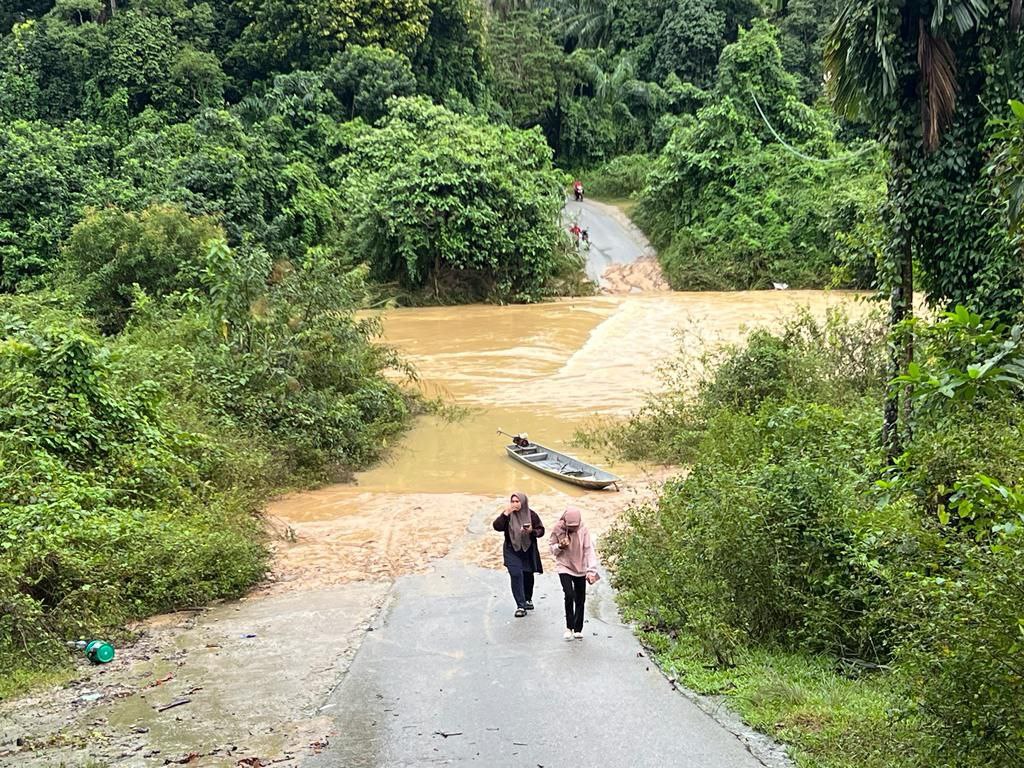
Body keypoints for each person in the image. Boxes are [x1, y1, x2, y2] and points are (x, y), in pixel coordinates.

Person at [548, 507, 599, 640]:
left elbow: (589, 550)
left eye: (575, 527)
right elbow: (551, 548)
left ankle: (578, 628)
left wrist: (591, 570)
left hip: (580, 567)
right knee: (569, 594)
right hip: (564, 565)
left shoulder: (584, 529)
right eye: (570, 527)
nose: (573, 529)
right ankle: (569, 627)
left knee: (580, 598)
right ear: (564, 522)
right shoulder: (558, 529)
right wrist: (560, 546)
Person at [493, 492, 545, 617]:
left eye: (517, 501)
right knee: (516, 574)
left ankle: (527, 599)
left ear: (523, 502)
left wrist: (532, 531)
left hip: (527, 550)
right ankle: (520, 606)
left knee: (527, 575)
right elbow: (497, 526)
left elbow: (541, 530)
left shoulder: (531, 514)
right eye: (513, 501)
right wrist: (505, 514)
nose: (515, 504)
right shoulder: (508, 516)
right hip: (512, 549)